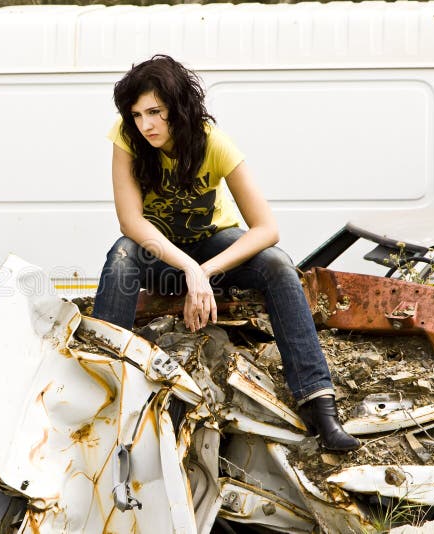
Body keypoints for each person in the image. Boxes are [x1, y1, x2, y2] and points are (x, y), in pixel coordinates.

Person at [92, 55, 359, 452]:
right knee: (121, 256)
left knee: (278, 265)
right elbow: (130, 222)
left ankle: (319, 405)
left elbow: (267, 228)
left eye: (155, 113)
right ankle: (99, 389)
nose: (145, 125)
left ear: (178, 109)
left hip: (211, 246)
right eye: (136, 115)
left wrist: (205, 269)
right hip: (158, 255)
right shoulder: (127, 137)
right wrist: (188, 269)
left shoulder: (213, 143)